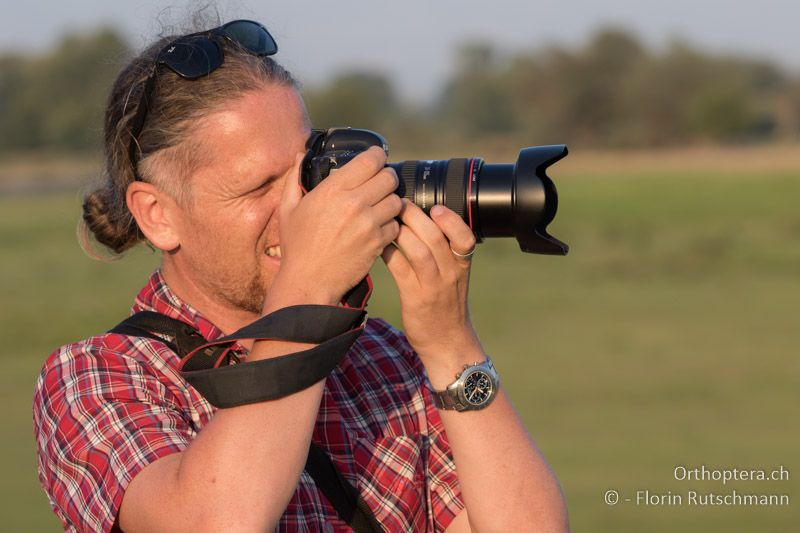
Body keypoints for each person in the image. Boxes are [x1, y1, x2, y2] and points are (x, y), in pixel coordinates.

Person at [33, 19, 568, 532]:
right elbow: (219, 522)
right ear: (158, 214)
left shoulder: (381, 356)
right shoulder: (96, 378)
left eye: (308, 171)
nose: (303, 209)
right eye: (259, 187)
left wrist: (452, 343)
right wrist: (307, 286)